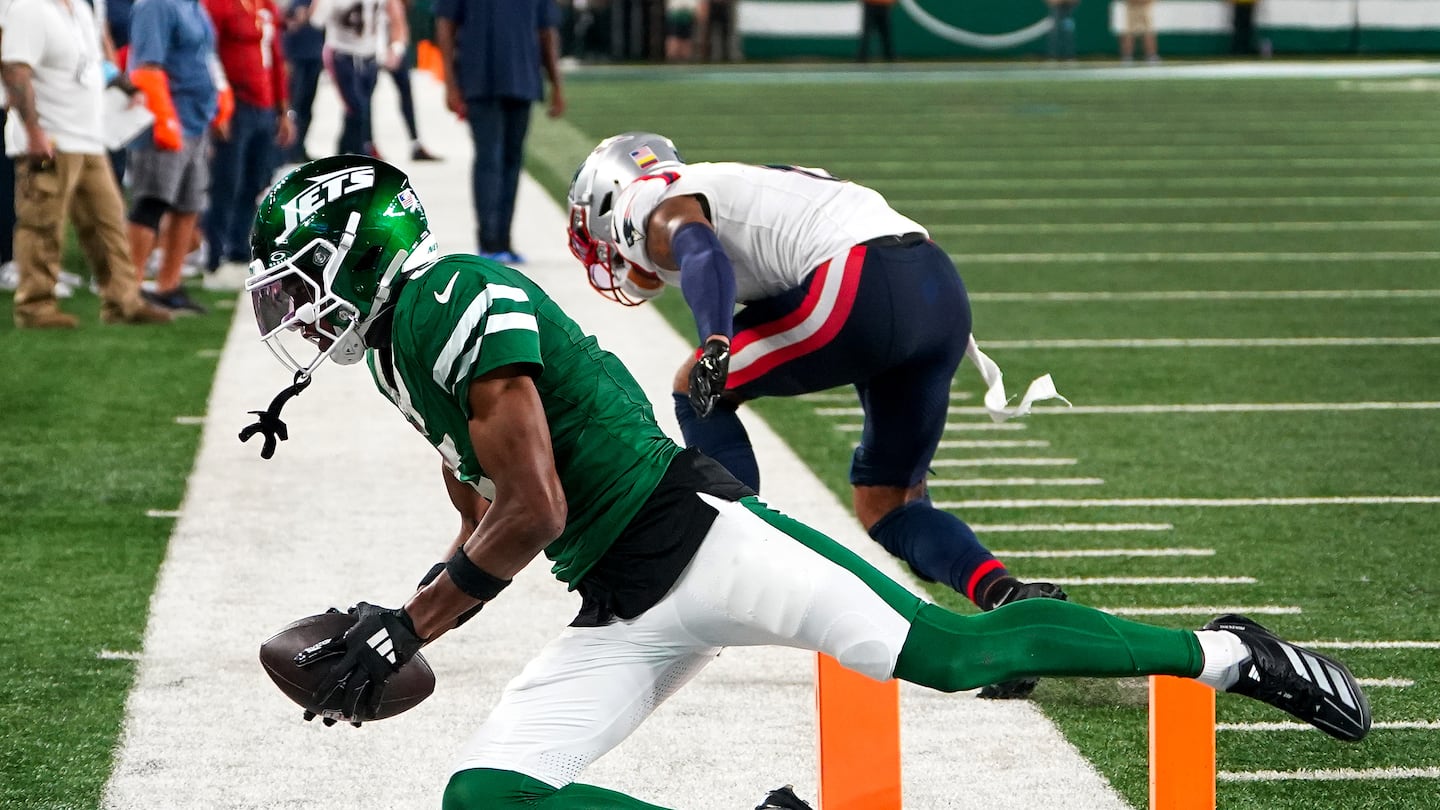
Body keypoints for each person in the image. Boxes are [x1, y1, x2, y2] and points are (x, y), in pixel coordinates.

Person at [241, 154, 1370, 810]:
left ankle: (1231, 652)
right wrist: (413, 613)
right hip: (622, 601)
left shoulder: (448, 298)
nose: (293, 310)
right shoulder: (399, 352)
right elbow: (496, 511)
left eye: (300, 283)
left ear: (359, 251)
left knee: (954, 654)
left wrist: (413, 619)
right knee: (485, 798)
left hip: (699, 536)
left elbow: (539, 506)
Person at [565, 132, 1078, 697]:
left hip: (861, 282)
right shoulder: (741, 179)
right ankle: (1011, 602)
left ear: (611, 202)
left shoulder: (650, 199)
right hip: (937, 291)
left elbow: (698, 247)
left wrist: (716, 337)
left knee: (695, 386)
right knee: (888, 503)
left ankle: (734, 554)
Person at [2, 0, 171, 327]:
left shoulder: (80, 6)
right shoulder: (28, 8)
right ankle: (35, 306)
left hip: (89, 135)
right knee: (42, 223)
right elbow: (15, 70)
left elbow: (92, 61)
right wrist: (34, 130)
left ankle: (123, 301)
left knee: (108, 222)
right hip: (50, 137)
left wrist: (124, 86)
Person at [434, 0, 563, 264]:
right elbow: (446, 24)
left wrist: (556, 84)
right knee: (489, 159)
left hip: (522, 76)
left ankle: (504, 240)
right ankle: (488, 242)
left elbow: (546, 29)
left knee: (512, 162)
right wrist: (450, 82)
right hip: (480, 78)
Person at [125, 0, 229, 315]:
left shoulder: (194, 5)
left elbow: (206, 57)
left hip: (196, 119)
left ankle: (168, 286)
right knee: (152, 201)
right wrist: (164, 119)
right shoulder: (155, 5)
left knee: (189, 205)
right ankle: (129, 289)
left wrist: (218, 100)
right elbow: (147, 66)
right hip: (168, 119)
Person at [200, 0, 295, 290]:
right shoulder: (218, 5)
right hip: (236, 104)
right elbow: (207, 54)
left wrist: (283, 109)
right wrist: (218, 106)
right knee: (226, 182)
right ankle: (213, 256)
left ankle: (239, 250)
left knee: (257, 180)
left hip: (264, 106)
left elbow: (275, 56)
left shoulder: (264, 5)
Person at [310, 0, 407, 157]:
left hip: (370, 57)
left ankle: (342, 155)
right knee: (357, 108)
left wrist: (395, 48)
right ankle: (360, 155)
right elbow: (316, 20)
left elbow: (396, 17)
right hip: (342, 55)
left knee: (358, 110)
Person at [381, 0, 440, 161]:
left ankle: (415, 142)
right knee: (362, 97)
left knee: (406, 93)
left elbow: (405, 7)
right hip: (365, 41)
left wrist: (397, 46)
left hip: (394, 38)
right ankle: (364, 143)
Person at [280, 0, 323, 164]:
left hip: (314, 52)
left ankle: (299, 148)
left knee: (307, 106)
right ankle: (286, 151)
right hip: (294, 53)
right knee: (293, 106)